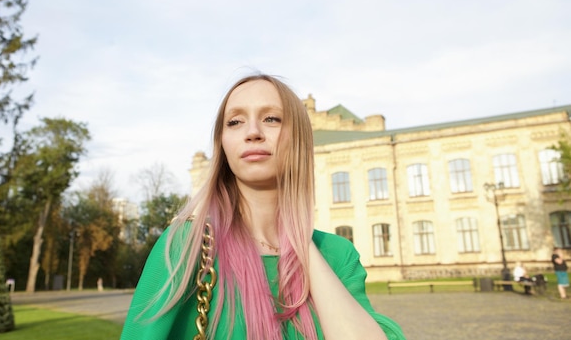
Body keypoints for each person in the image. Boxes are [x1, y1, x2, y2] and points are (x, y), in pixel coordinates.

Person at [120, 74, 405, 340]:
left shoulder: (338, 255)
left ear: (299, 140)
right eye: (235, 122)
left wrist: (299, 240)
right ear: (223, 145)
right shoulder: (186, 245)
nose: (253, 132)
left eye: (271, 119)